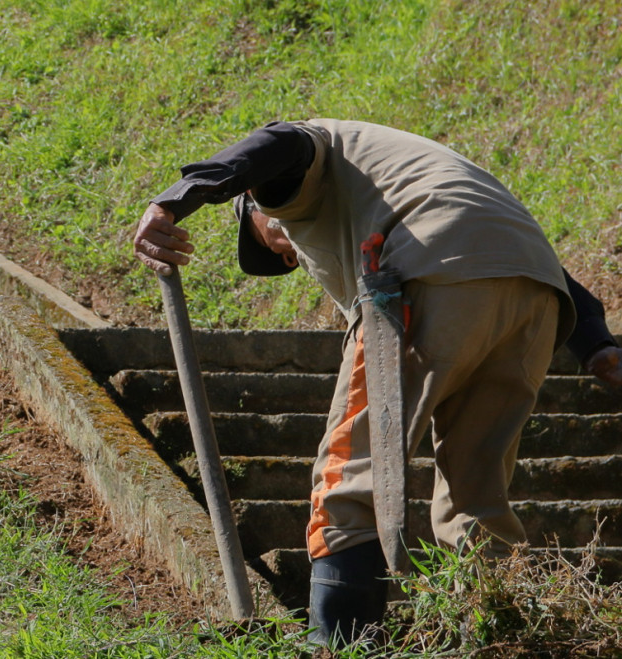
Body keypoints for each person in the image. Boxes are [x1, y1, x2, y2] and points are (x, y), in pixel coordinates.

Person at [133, 119, 621, 645]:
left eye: (267, 242)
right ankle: (496, 640)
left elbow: (277, 144)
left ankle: (338, 645)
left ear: (255, 200)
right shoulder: (411, 171)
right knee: (477, 496)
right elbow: (491, 241)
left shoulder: (298, 168)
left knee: (352, 472)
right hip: (534, 298)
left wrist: (176, 199)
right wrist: (597, 343)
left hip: (425, 277)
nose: (284, 255)